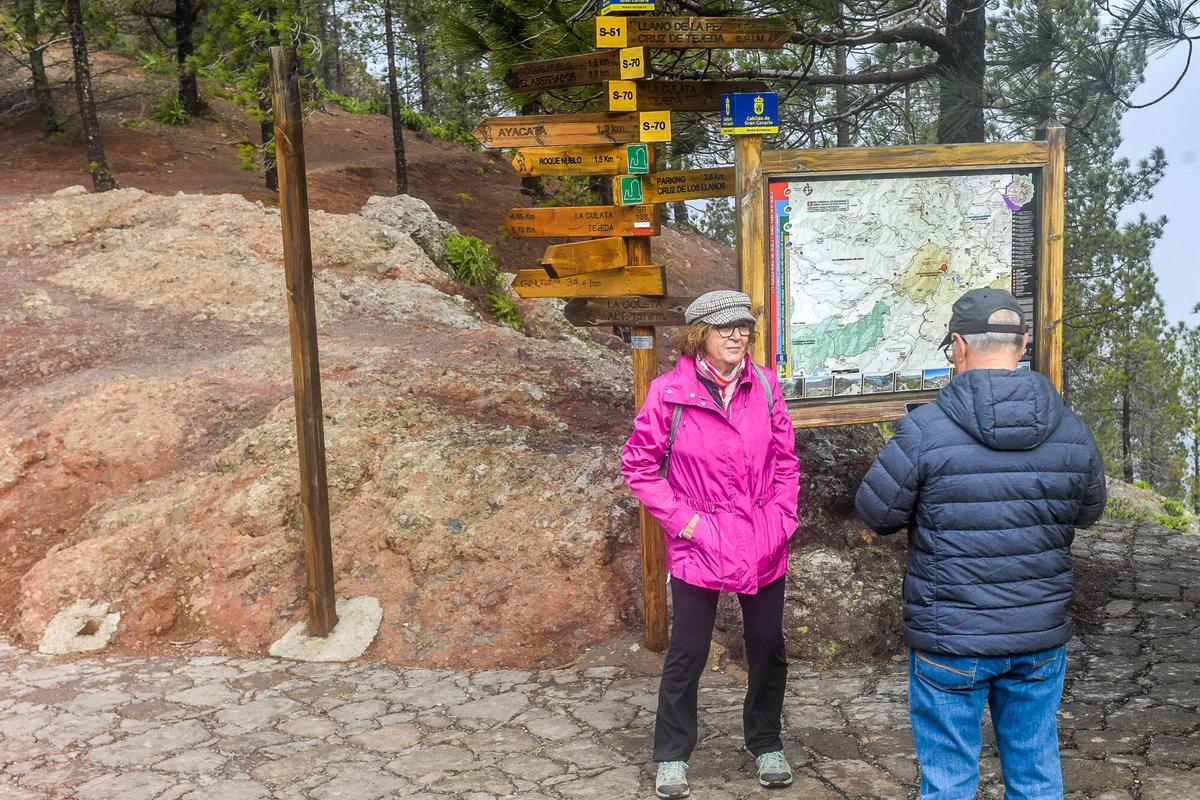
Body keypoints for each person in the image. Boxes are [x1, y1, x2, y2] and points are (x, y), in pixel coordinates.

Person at [854, 288, 1107, 800]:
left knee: (948, 782)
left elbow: (878, 513)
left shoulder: (925, 429)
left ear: (959, 345)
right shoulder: (1072, 430)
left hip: (952, 634)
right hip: (1037, 634)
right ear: (1025, 343)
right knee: (1036, 774)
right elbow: (1089, 511)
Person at [621, 290, 801, 799]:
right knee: (688, 651)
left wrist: (782, 519)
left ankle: (765, 742)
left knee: (768, 648)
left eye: (743, 325)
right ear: (699, 333)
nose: (737, 335)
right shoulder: (668, 392)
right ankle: (673, 754)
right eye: (725, 327)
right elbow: (639, 467)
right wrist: (687, 524)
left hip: (763, 537)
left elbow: (786, 461)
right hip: (699, 541)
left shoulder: (765, 385)